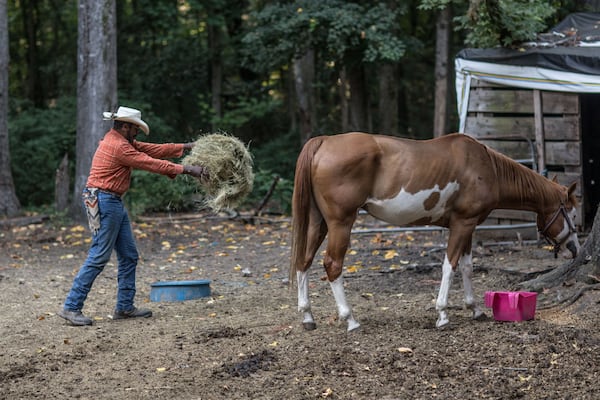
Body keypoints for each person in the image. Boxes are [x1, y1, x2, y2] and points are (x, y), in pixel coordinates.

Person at [58, 106, 208, 326]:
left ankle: (125, 307)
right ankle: (71, 307)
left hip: (111, 201)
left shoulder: (121, 140)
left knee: (129, 255)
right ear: (126, 126)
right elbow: (150, 163)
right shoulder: (119, 146)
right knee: (99, 255)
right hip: (104, 201)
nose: (137, 132)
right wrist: (187, 169)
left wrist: (185, 147)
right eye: (135, 128)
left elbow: (152, 150)